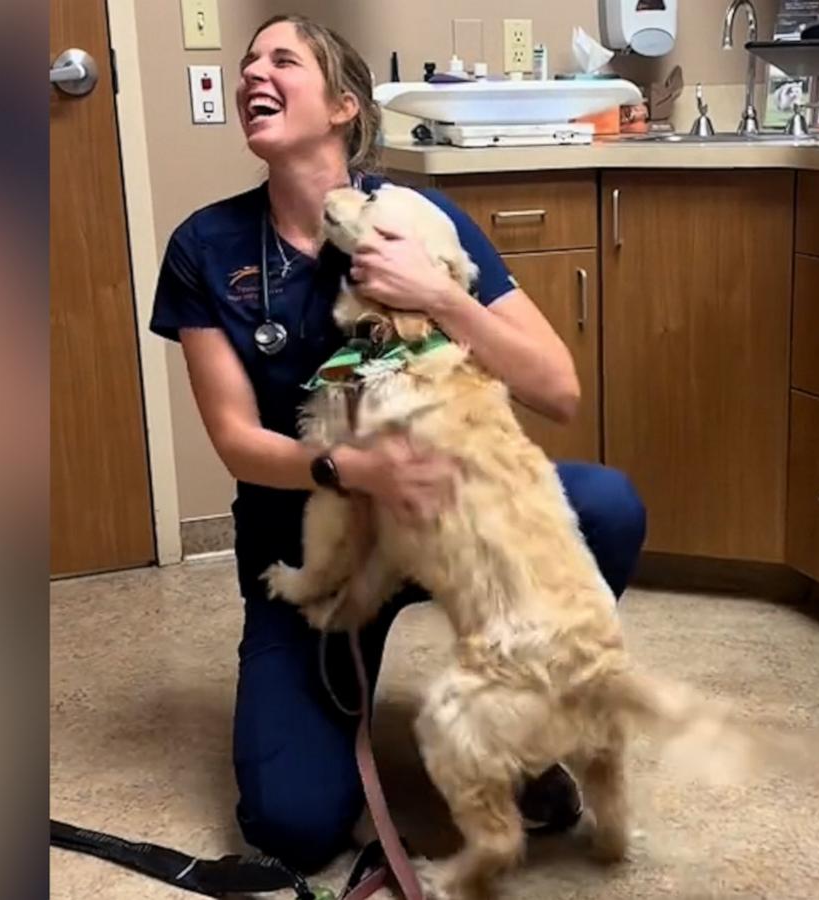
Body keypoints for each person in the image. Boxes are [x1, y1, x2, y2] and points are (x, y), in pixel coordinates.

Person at [148, 14, 647, 874]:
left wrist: (441, 298)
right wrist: (357, 470)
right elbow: (236, 442)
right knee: (293, 828)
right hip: (314, 538)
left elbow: (557, 388)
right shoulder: (205, 246)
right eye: (245, 66)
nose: (250, 76)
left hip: (445, 514)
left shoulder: (419, 219)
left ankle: (523, 731)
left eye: (281, 60)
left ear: (344, 105)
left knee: (604, 505)